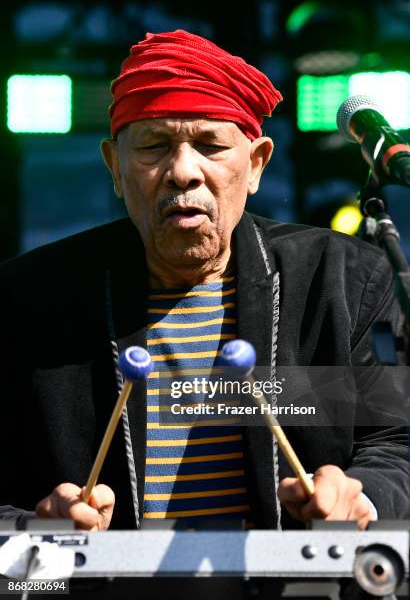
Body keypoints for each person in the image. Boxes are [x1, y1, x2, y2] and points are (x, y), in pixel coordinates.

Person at [0, 30, 408, 533]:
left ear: (256, 163)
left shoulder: (345, 280)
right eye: (153, 146)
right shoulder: (27, 300)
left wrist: (362, 498)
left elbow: (397, 443)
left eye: (211, 145)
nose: (182, 172)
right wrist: (31, 527)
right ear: (114, 166)